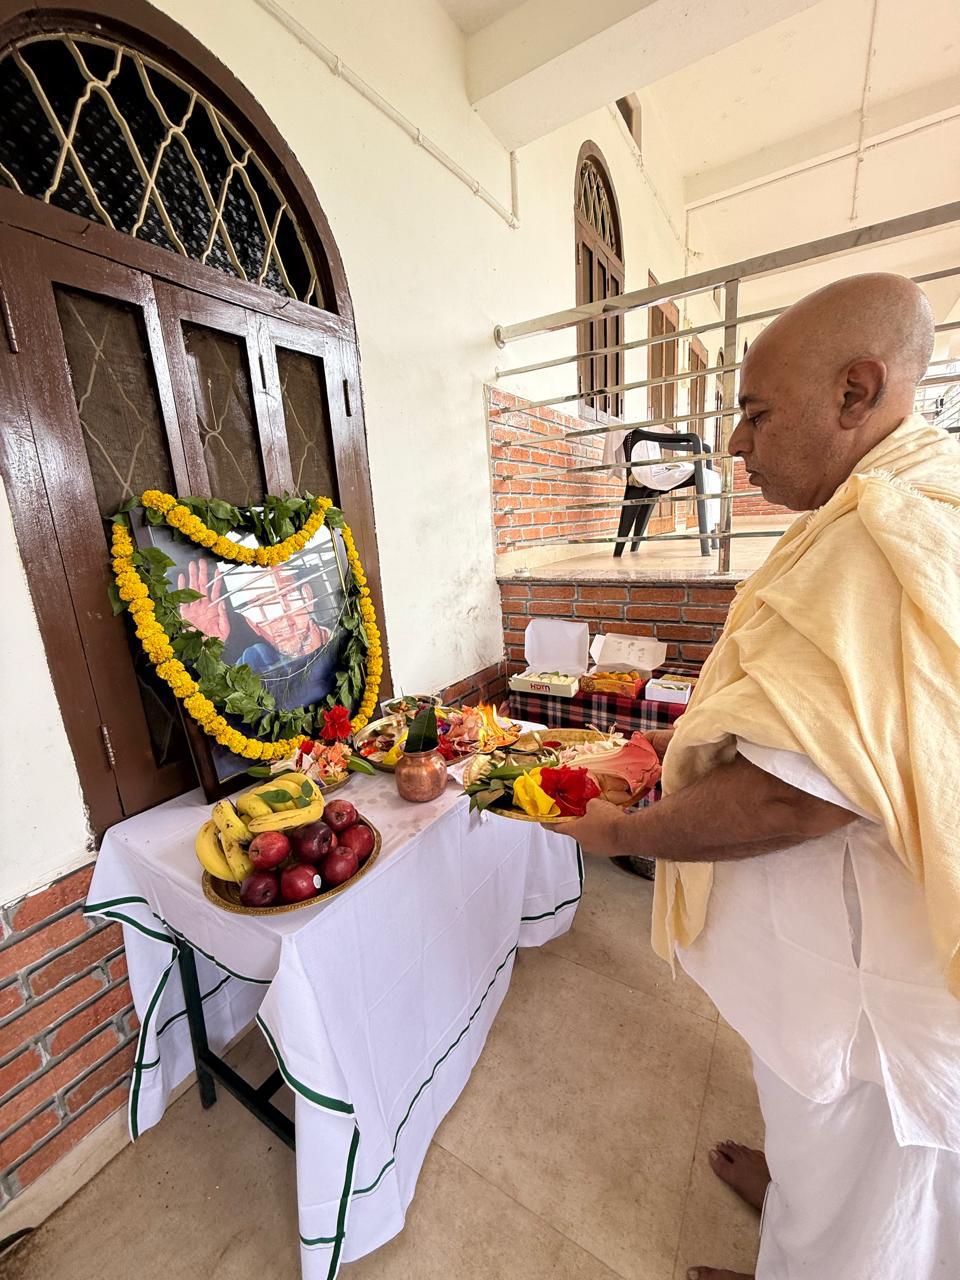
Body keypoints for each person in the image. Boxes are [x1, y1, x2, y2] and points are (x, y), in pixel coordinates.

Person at [557, 273, 960, 1280]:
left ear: (854, 394)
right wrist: (682, 751)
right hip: (850, 960)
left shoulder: (876, 534)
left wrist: (620, 836)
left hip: (867, 994)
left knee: (869, 1197)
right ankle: (795, 1202)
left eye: (755, 411)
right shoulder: (890, 502)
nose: (733, 443)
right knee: (820, 1156)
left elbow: (799, 791)